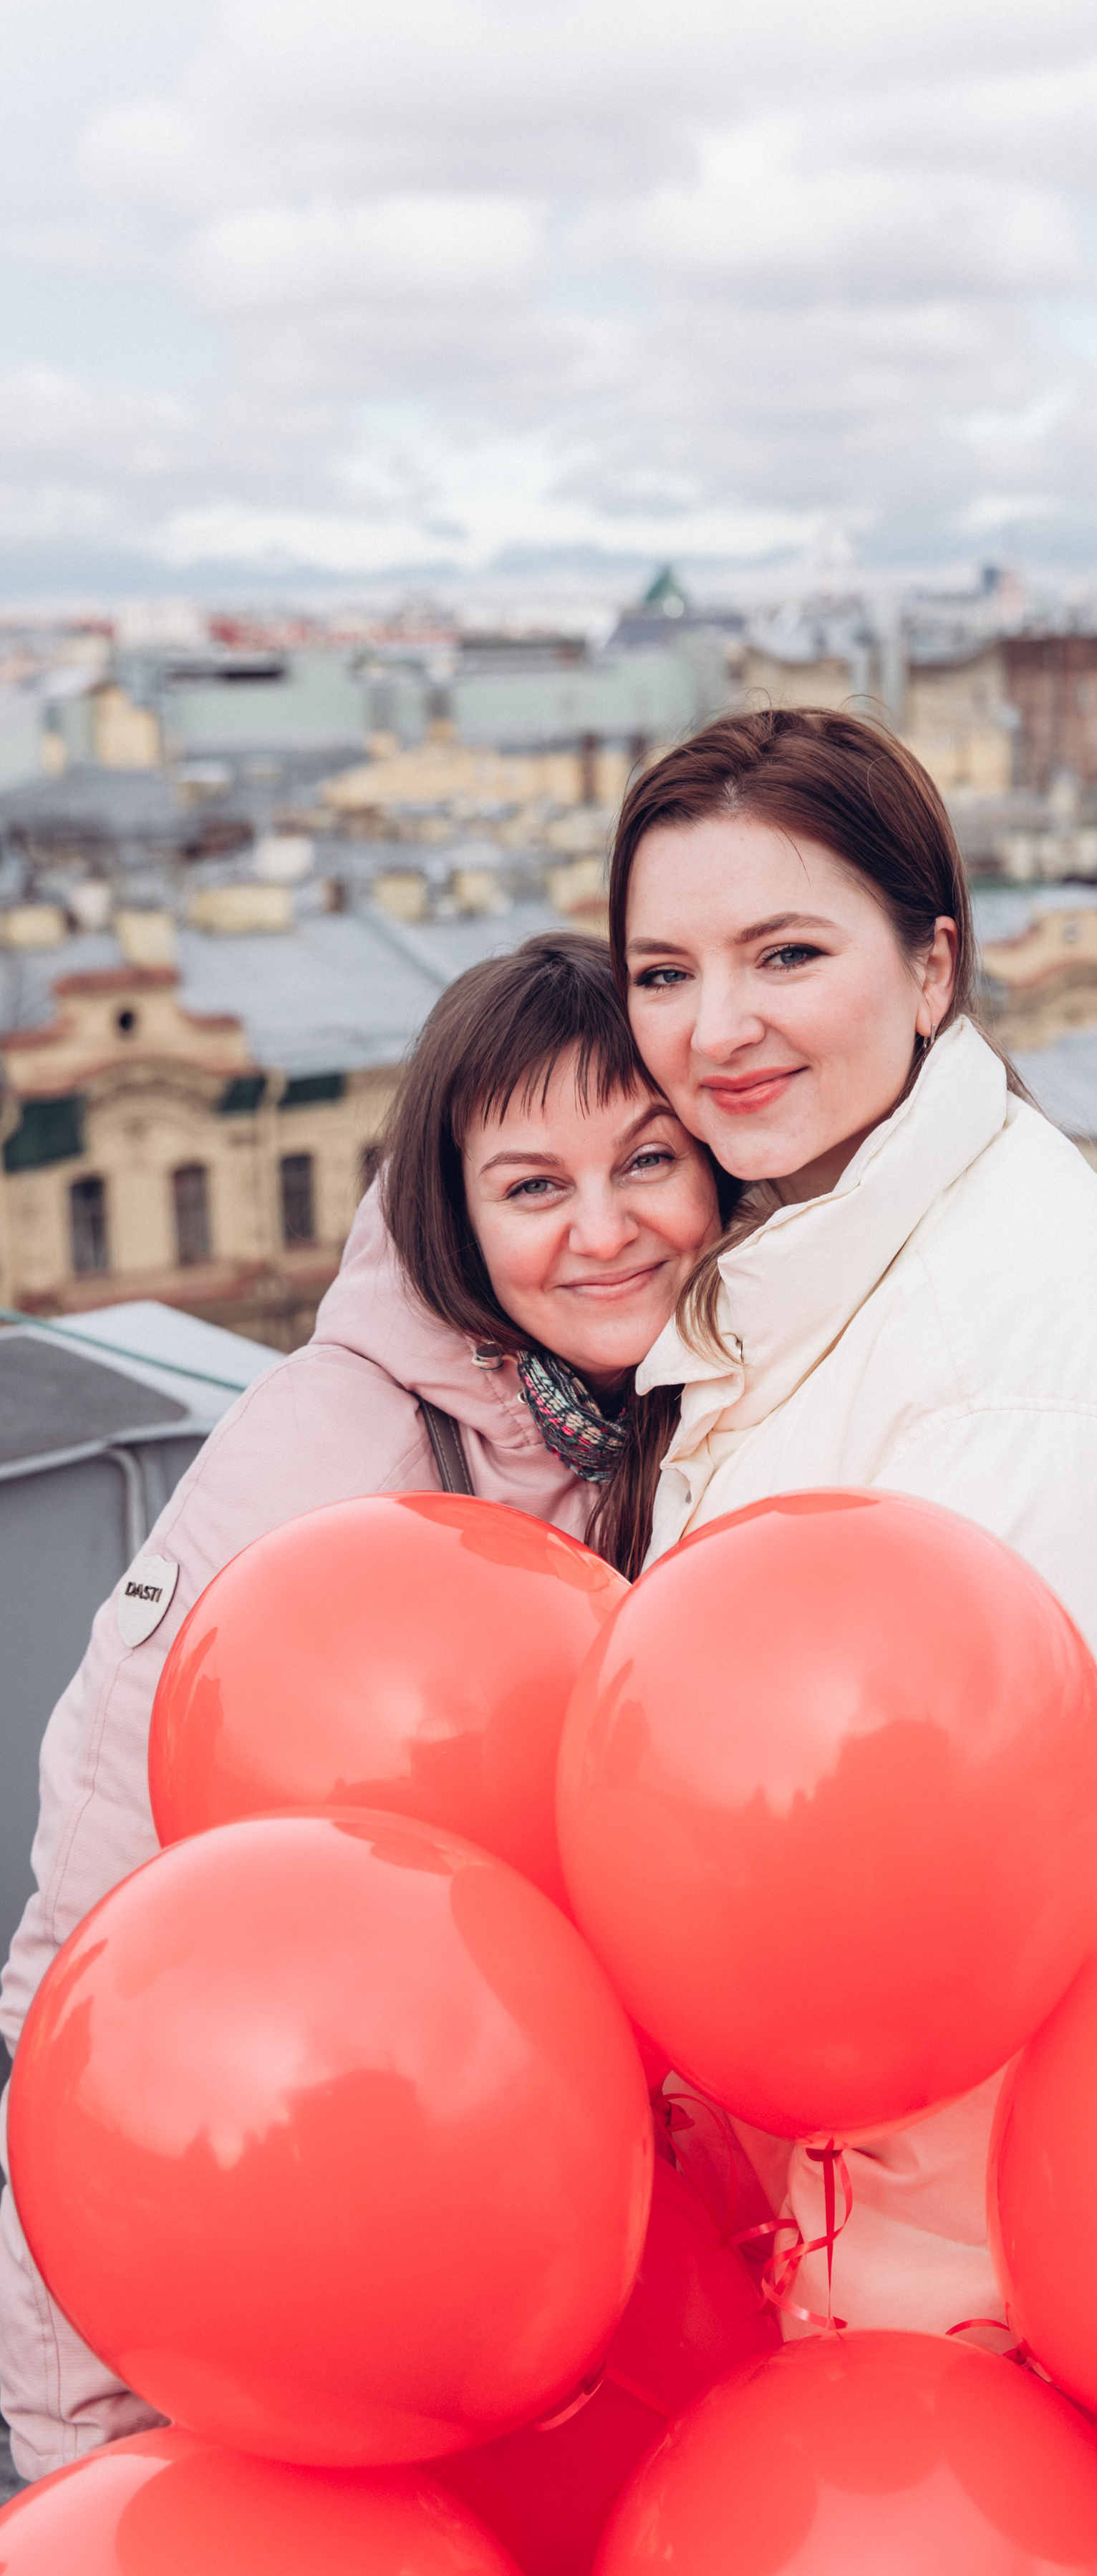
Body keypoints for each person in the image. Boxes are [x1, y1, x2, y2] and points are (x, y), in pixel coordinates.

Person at [610, 705, 1097, 2336]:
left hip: (956, 2298)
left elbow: (1043, 1940)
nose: (714, 1029)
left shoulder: (1021, 1353)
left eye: (784, 954)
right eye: (663, 972)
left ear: (932, 971)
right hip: (822, 2229)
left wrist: (876, 2327)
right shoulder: (837, 1249)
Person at [0, 930, 723, 2482]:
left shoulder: (657, 1419)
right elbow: (97, 1972)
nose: (603, 1231)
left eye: (648, 1161)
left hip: (503, 2236)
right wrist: (90, 2460)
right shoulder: (332, 1464)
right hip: (274, 2251)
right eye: (533, 1186)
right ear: (451, 1217)